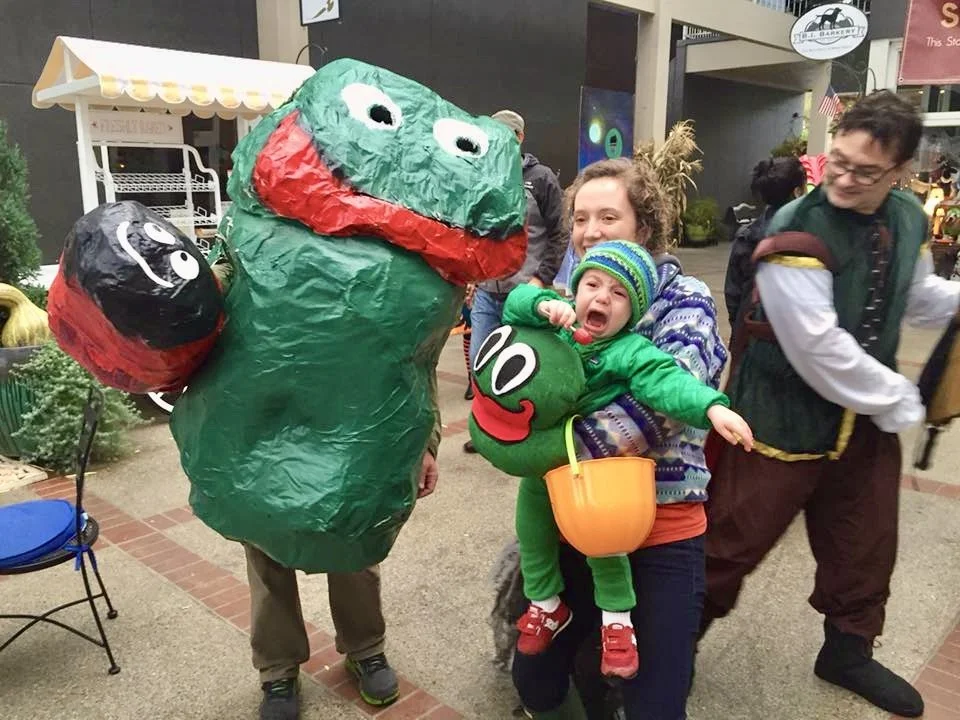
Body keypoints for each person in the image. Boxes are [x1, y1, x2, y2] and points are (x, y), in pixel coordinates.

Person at [701, 90, 960, 719]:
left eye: (866, 171)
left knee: (865, 543)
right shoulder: (796, 224)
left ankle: (847, 650)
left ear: (901, 171)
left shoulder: (906, 217)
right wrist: (898, 395)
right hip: (774, 420)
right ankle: (666, 646)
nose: (843, 177)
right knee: (727, 544)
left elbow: (914, 292)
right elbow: (817, 347)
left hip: (861, 425)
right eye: (837, 160)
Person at [507, 157, 731, 720]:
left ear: (645, 227)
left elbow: (656, 414)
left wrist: (534, 448)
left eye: (609, 215)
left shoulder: (687, 300)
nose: (590, 231)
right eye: (581, 218)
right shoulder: (571, 297)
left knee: (655, 700)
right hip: (574, 514)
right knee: (536, 677)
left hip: (661, 523)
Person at [464, 109, 567, 452]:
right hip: (485, 293)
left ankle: (519, 438)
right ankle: (484, 434)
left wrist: (541, 280)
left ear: (520, 138)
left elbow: (560, 234)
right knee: (481, 364)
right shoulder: (482, 174)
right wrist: (470, 277)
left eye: (506, 135)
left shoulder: (541, 179)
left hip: (525, 293)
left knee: (519, 371)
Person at [724, 156, 806, 336]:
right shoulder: (809, 239)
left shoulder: (747, 236)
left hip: (748, 336)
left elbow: (733, 294)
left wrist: (740, 328)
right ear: (797, 192)